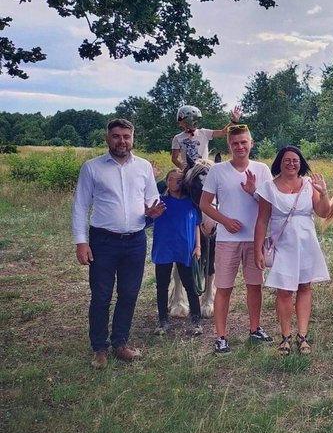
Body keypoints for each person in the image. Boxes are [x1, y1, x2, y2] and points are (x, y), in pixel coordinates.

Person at [72, 119, 166, 368]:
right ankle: (99, 348)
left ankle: (120, 343)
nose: (121, 141)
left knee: (129, 294)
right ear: (107, 138)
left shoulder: (143, 167)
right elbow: (80, 206)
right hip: (103, 241)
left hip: (135, 240)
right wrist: (81, 242)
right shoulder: (92, 168)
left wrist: (151, 213)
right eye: (116, 136)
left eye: (126, 136)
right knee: (101, 296)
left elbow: (152, 200)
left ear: (132, 138)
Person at [199, 124, 274, 354]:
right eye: (235, 143)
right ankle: (221, 336)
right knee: (224, 288)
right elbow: (204, 204)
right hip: (227, 240)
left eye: (244, 142)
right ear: (229, 145)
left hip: (254, 238)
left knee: (255, 286)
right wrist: (225, 221)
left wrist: (253, 191)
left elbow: (269, 205)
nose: (240, 147)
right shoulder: (217, 171)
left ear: (251, 143)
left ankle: (255, 328)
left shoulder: (262, 170)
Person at [254, 146, 330, 356]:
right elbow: (262, 221)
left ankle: (302, 336)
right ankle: (285, 336)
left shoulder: (309, 184)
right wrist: (257, 250)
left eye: (295, 160)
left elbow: (324, 212)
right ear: (279, 162)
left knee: (305, 286)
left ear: (301, 163)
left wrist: (323, 193)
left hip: (306, 244)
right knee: (284, 290)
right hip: (283, 245)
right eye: (286, 160)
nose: (291, 164)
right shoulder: (268, 188)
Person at [151, 168, 202, 337]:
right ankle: (163, 321)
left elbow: (196, 225)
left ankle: (196, 320)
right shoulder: (160, 201)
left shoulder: (190, 203)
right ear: (166, 182)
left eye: (179, 179)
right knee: (162, 286)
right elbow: (147, 215)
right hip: (164, 250)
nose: (175, 182)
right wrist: (151, 179)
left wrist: (198, 246)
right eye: (171, 179)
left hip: (184, 250)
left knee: (190, 285)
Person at [171, 104, 242, 170]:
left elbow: (222, 132)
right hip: (188, 169)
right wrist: (182, 167)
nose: (195, 122)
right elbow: (174, 158)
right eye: (193, 120)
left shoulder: (204, 132)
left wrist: (234, 121)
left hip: (204, 167)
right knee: (173, 177)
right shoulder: (178, 138)